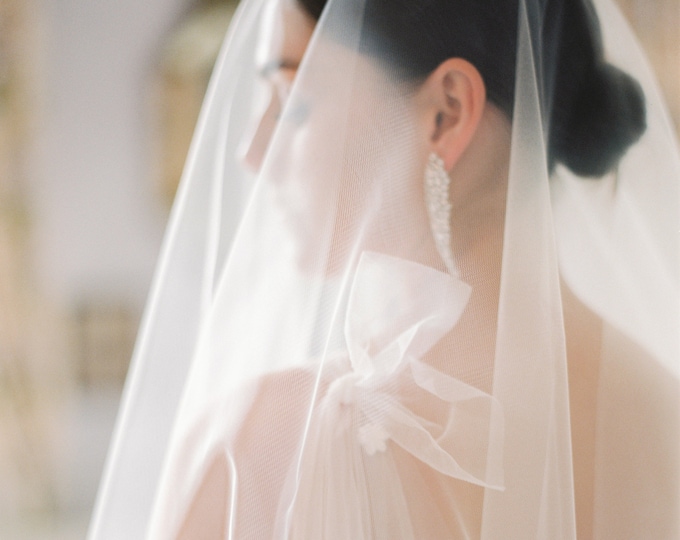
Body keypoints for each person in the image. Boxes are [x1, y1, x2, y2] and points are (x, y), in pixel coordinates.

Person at [89, 0, 680, 538]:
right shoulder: (661, 413)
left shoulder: (254, 447)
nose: (252, 151)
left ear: (446, 113)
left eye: (292, 104)